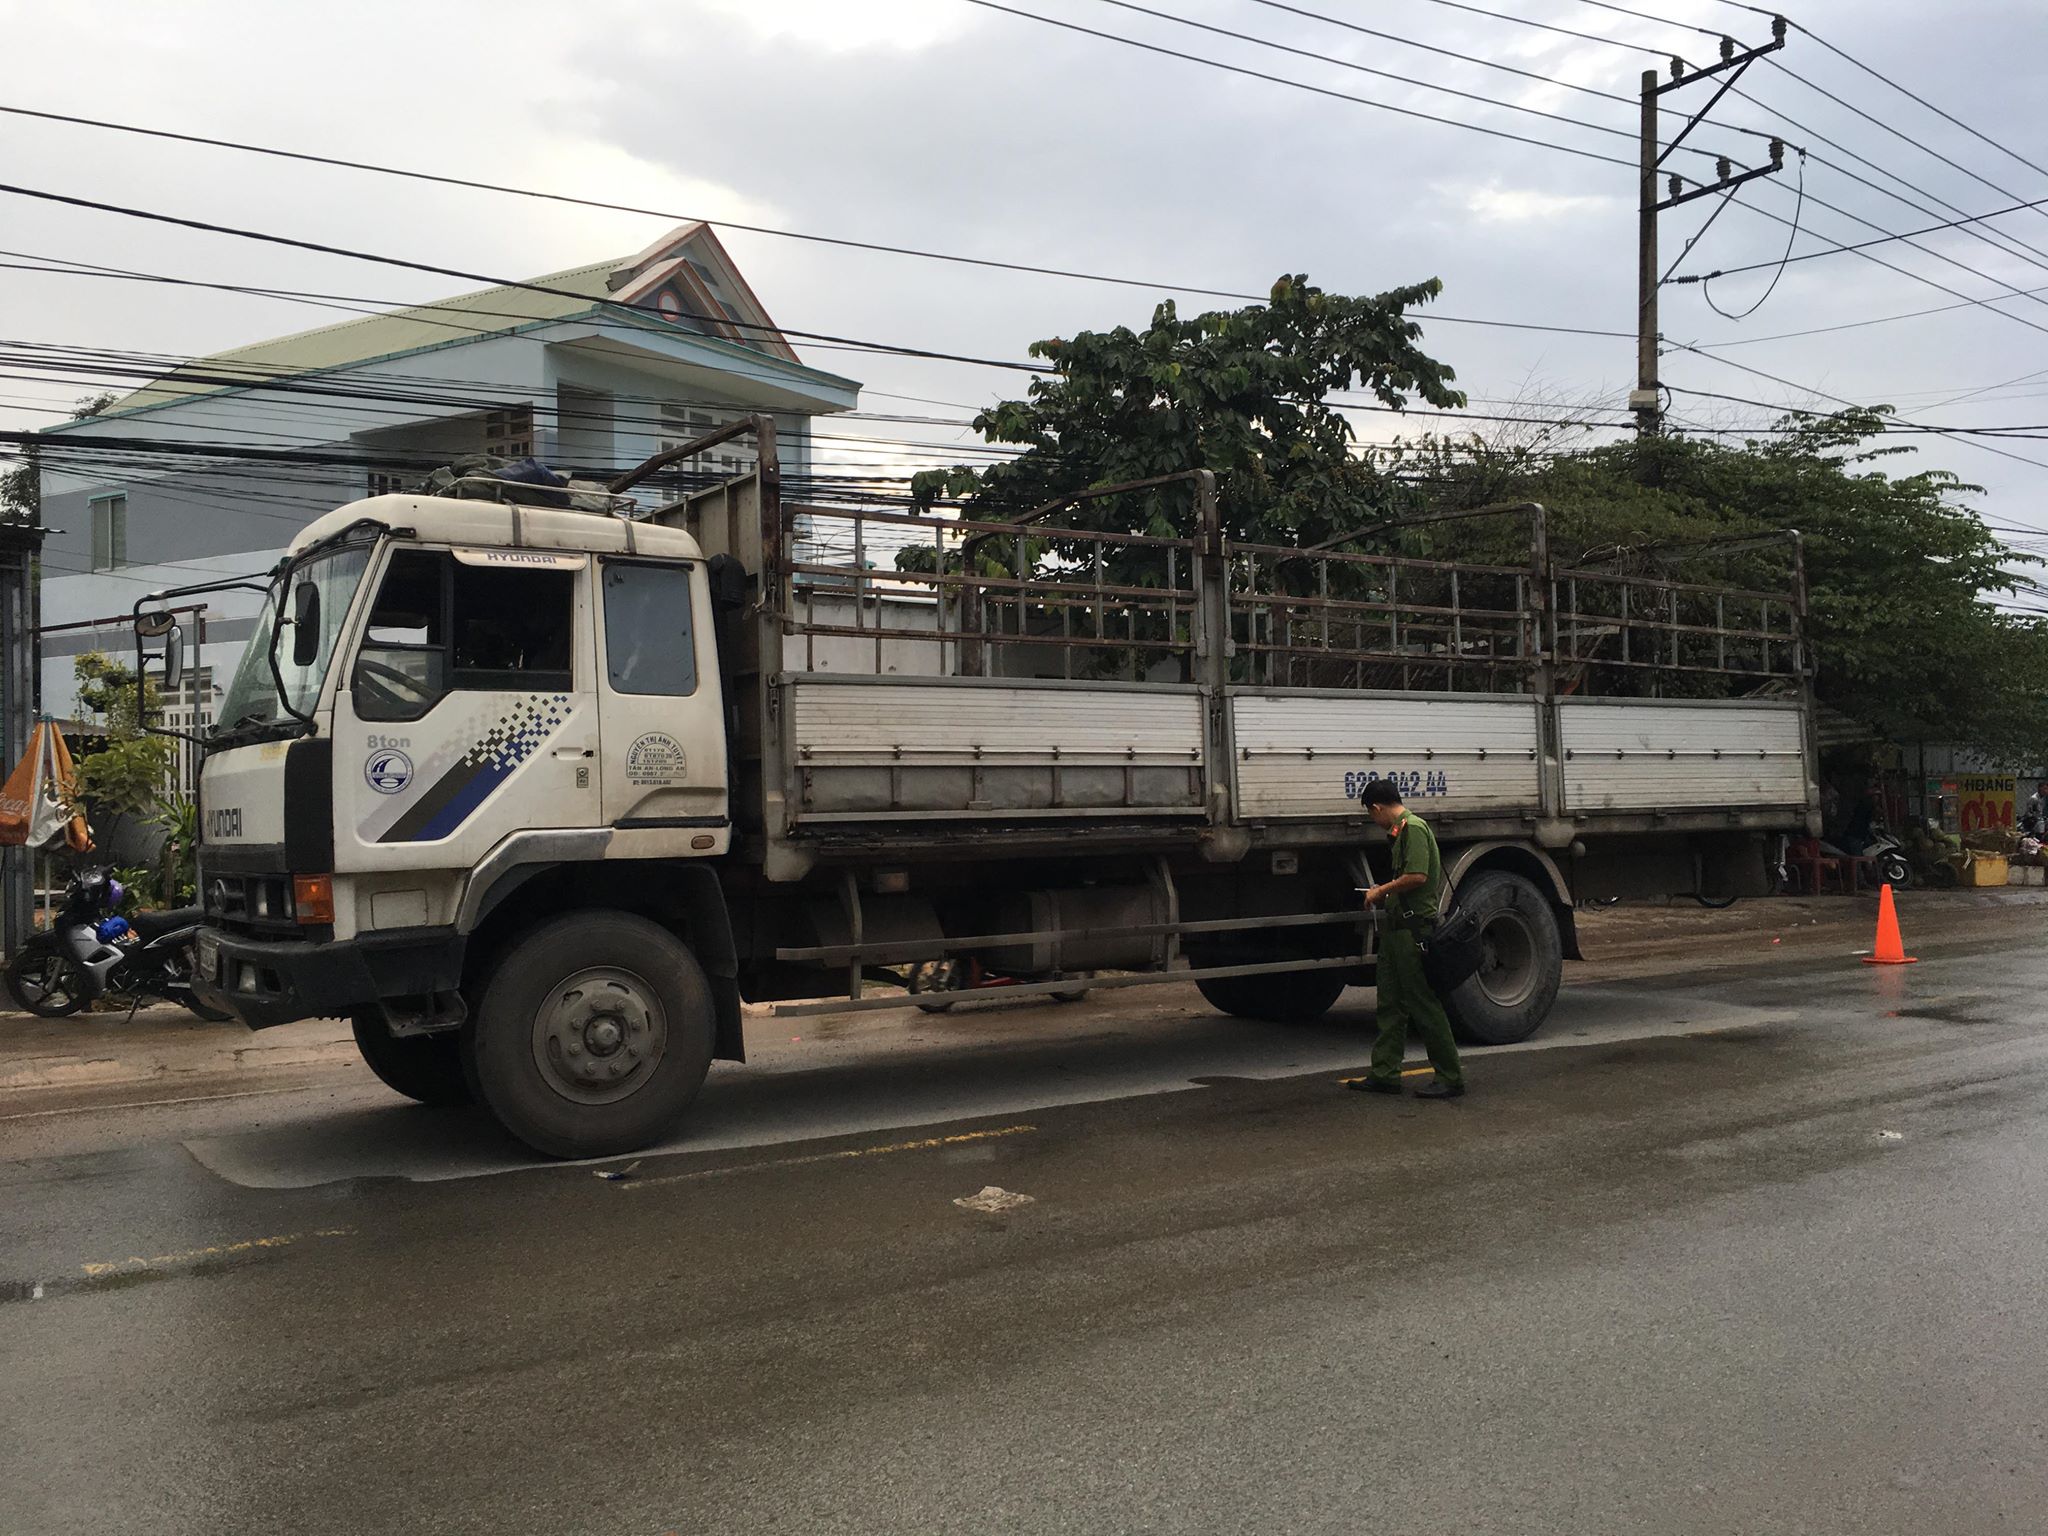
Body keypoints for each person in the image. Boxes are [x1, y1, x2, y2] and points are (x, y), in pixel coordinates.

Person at [1350, 778, 1465, 1101]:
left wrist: (1380, 890)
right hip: (1396, 932)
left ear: (1377, 808)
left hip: (1413, 933)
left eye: (1372, 816)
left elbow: (1417, 876)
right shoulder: (1401, 831)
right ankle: (1385, 1073)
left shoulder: (1412, 828)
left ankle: (1449, 1076)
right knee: (1390, 1004)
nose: (1375, 822)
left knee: (1423, 1005)